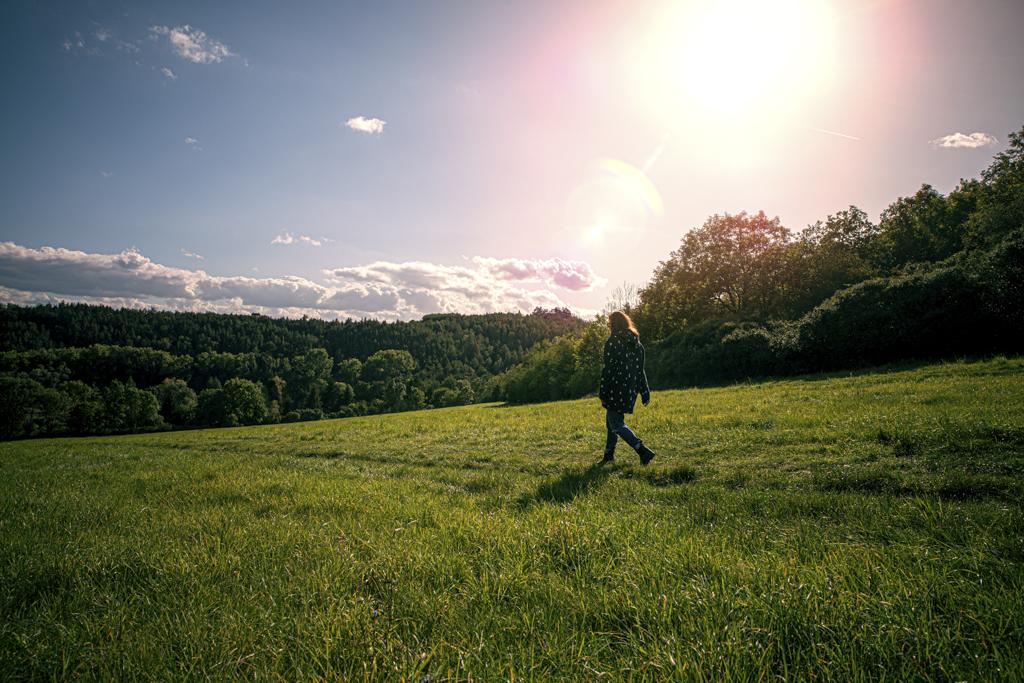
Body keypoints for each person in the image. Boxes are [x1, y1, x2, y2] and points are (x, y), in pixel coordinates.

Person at [598, 310, 656, 465]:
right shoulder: (638, 344)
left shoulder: (613, 342)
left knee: (616, 423)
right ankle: (608, 455)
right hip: (630, 389)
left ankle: (642, 450)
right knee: (611, 422)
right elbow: (640, 369)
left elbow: (608, 370)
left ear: (613, 324)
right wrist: (644, 392)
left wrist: (603, 391)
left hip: (615, 389)